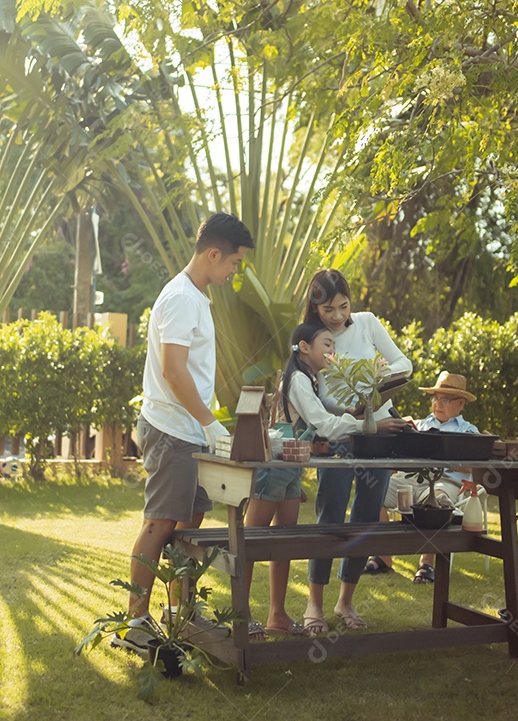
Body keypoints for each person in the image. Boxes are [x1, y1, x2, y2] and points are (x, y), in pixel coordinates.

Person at [115, 213, 254, 654]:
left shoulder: (196, 297)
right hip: (172, 431)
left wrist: (206, 427)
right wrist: (211, 423)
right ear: (213, 254)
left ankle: (180, 612)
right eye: (233, 263)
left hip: (190, 433)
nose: (234, 272)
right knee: (159, 524)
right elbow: (173, 371)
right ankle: (135, 624)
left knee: (189, 525)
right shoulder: (179, 299)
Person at [244, 323, 408, 640]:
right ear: (305, 347)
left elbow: (331, 412)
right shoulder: (297, 380)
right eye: (327, 344)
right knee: (252, 542)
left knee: (285, 542)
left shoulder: (313, 379)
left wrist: (361, 411)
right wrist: (369, 425)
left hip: (291, 466)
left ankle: (276, 615)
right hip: (274, 465)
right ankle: (243, 615)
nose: (333, 351)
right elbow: (324, 424)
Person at [301, 269, 412, 635]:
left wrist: (372, 388)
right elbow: (322, 395)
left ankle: (345, 599)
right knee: (329, 515)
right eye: (327, 309)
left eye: (342, 306)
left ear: (352, 302)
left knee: (366, 516)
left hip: (377, 436)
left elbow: (403, 364)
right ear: (314, 307)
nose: (336, 316)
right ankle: (314, 604)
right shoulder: (313, 340)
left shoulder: (366, 323)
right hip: (339, 437)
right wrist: (352, 409)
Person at [364, 371, 481, 583]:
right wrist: (404, 437)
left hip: (447, 482)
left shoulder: (468, 431)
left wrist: (439, 455)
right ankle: (383, 556)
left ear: (461, 404)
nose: (438, 403)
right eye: (435, 398)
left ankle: (426, 563)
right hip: (410, 478)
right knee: (375, 492)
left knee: (437, 501)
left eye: (445, 399)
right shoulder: (419, 425)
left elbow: (473, 466)